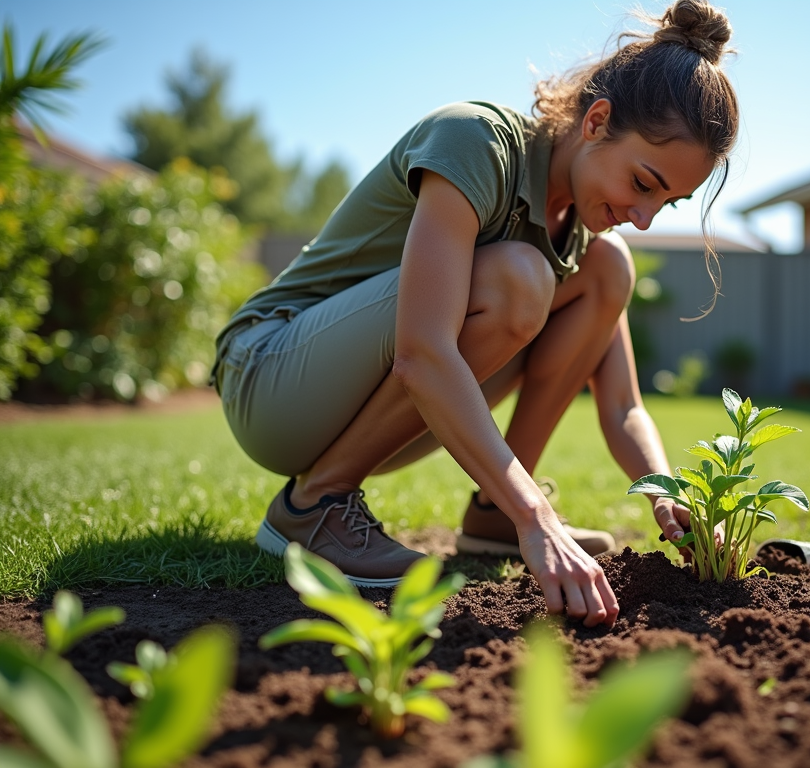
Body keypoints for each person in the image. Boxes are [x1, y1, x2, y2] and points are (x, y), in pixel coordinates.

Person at [211, 0, 739, 628]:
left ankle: (491, 512)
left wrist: (668, 497)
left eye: (669, 203)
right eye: (644, 184)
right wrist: (536, 518)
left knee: (610, 268)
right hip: (270, 378)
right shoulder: (477, 142)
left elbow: (623, 406)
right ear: (597, 121)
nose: (645, 215)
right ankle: (314, 505)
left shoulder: (585, 239)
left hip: (370, 401)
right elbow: (423, 351)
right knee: (520, 278)